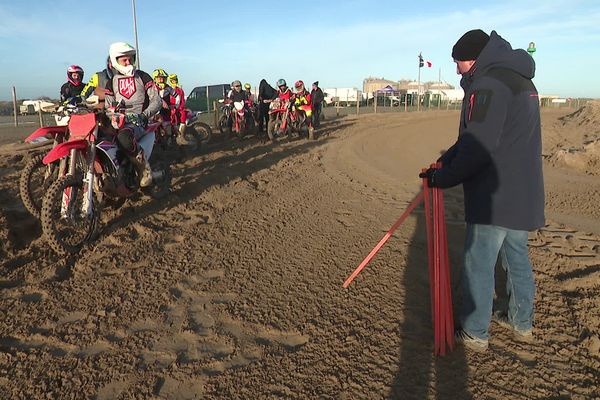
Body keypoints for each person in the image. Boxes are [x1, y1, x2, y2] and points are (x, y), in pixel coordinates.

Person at [419, 29, 544, 352]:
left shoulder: (488, 85)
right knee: (517, 258)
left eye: (457, 62)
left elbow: (479, 145)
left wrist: (445, 179)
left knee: (479, 261)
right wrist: (446, 160)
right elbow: (476, 136)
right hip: (522, 190)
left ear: (470, 59)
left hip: (495, 194)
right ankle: (522, 322)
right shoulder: (519, 78)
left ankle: (475, 332)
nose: (457, 69)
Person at [104, 42, 161, 187]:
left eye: (130, 58)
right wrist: (111, 114)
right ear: (115, 61)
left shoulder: (143, 76)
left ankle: (144, 168)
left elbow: (157, 100)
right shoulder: (111, 83)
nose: (128, 62)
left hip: (138, 121)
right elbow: (108, 106)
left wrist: (143, 115)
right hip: (118, 122)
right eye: (124, 59)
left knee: (124, 137)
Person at [152, 68, 182, 144]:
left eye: (163, 78)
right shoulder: (152, 88)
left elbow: (177, 96)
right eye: (159, 78)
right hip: (154, 111)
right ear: (155, 79)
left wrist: (176, 106)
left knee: (167, 128)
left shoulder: (168, 88)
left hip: (166, 112)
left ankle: (174, 140)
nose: (161, 80)